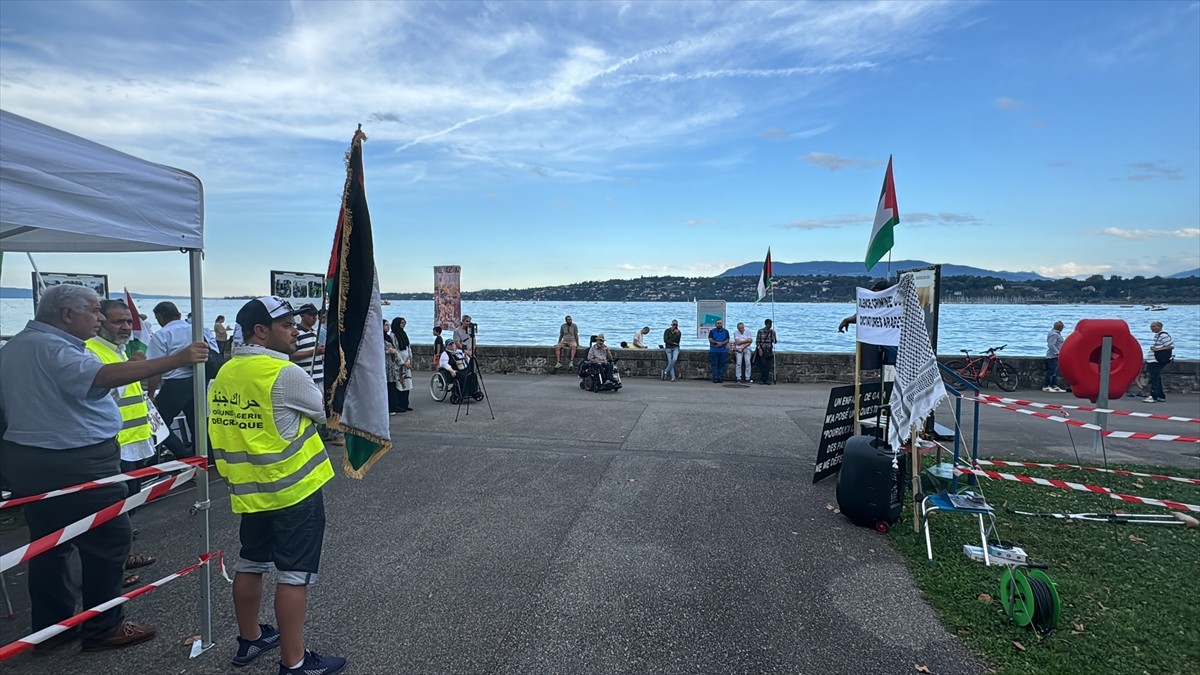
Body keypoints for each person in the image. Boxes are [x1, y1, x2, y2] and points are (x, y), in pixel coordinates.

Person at [0, 284, 207, 653]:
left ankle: (53, 630)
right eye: (94, 311)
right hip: (77, 460)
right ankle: (103, 627)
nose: (99, 318)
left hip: (31, 458)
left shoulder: (15, 346)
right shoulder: (56, 350)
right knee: (108, 542)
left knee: (49, 547)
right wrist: (175, 359)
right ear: (66, 314)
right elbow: (100, 378)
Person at [208, 296, 345, 675]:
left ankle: (250, 638)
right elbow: (328, 414)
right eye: (287, 325)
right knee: (294, 574)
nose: (296, 331)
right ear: (260, 331)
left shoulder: (225, 373)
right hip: (293, 490)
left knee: (250, 561)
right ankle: (294, 661)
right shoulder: (284, 374)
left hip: (250, 491)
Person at [85, 300, 160, 587]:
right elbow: (95, 394)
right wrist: (132, 369)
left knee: (128, 502)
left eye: (129, 322)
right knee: (112, 509)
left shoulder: (117, 350)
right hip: (113, 443)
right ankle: (111, 568)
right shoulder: (91, 351)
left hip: (133, 440)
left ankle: (122, 554)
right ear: (100, 321)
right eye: (118, 322)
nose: (126, 328)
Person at [147, 301, 202, 455]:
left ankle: (183, 454)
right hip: (197, 381)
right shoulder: (197, 330)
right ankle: (201, 455)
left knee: (158, 423)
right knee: (197, 424)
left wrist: (151, 394)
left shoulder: (162, 334)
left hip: (175, 384)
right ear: (178, 314)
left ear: (160, 317)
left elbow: (155, 367)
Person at [1144, 321, 1174, 403]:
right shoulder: (1157, 336)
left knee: (1154, 379)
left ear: (1159, 326)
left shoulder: (1163, 335)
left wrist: (1157, 349)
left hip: (1156, 360)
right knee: (1157, 378)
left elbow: (1170, 346)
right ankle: (1160, 396)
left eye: (1154, 326)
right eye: (1151, 326)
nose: (1152, 328)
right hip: (1152, 360)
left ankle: (1153, 396)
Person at [392, 317, 414, 412]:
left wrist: (409, 359)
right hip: (399, 364)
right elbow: (395, 350)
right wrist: (402, 362)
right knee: (399, 384)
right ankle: (399, 404)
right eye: (401, 323)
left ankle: (405, 404)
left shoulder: (404, 334)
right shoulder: (393, 335)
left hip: (406, 362)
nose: (403, 325)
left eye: (404, 323)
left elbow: (408, 347)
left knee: (407, 384)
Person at [384, 319, 403, 414]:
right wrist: (387, 351)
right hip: (384, 365)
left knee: (392, 386)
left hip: (391, 365)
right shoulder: (379, 337)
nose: (388, 327)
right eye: (386, 325)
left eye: (388, 325)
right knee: (386, 386)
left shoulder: (388, 337)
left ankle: (393, 406)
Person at [1043, 321, 1065, 393]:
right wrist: (1057, 353)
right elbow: (1051, 345)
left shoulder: (1056, 334)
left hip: (1056, 356)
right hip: (1053, 356)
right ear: (1060, 328)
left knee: (1055, 372)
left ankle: (1054, 385)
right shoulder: (1054, 334)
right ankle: (1046, 386)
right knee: (1051, 371)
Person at [756, 319, 778, 385]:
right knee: (763, 365)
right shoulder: (760, 331)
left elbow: (775, 342)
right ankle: (763, 379)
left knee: (768, 366)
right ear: (765, 324)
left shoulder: (772, 332)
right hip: (762, 349)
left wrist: (773, 339)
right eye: (768, 324)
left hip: (769, 350)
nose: (769, 325)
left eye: (770, 324)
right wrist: (759, 349)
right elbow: (757, 342)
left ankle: (766, 379)